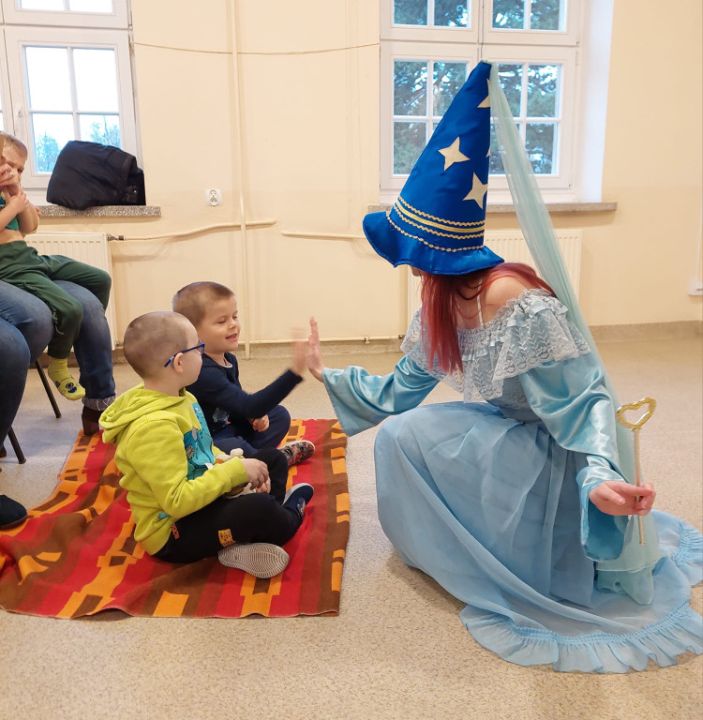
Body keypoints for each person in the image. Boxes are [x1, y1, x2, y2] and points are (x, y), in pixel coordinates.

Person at [307, 61, 702, 672]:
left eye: (412, 252)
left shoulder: (511, 298)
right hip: (508, 425)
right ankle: (453, 552)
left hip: (555, 443)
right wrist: (325, 373)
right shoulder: (441, 299)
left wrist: (598, 476)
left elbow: (583, 401)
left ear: (435, 251)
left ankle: (522, 550)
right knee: (402, 437)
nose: (408, 265)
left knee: (463, 458)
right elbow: (402, 388)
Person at [99, 311, 314, 577]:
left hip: (203, 498)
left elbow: (205, 449)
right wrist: (234, 473)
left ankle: (247, 533)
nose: (203, 354)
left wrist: (234, 466)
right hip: (175, 531)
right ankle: (291, 512)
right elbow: (177, 502)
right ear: (180, 363)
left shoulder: (183, 397)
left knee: (273, 460)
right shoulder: (152, 429)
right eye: (198, 348)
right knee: (260, 509)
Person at [0, 131, 112, 401]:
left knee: (100, 279)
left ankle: (71, 333)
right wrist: (14, 206)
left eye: (19, 169)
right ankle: (59, 362)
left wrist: (18, 197)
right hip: (10, 266)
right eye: (6, 163)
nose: (11, 171)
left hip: (29, 257)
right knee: (70, 308)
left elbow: (30, 227)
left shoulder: (8, 192)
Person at [0, 278, 116, 527]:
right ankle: (55, 365)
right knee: (12, 348)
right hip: (11, 268)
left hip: (22, 262)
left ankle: (99, 405)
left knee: (87, 303)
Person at [172, 281, 315, 466]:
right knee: (234, 445)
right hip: (204, 443)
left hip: (227, 429)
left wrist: (253, 418)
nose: (233, 325)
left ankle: (259, 459)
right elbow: (250, 406)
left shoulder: (229, 360)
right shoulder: (202, 372)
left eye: (235, 316)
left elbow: (237, 406)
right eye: (222, 321)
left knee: (279, 415)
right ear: (193, 332)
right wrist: (294, 373)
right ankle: (269, 461)